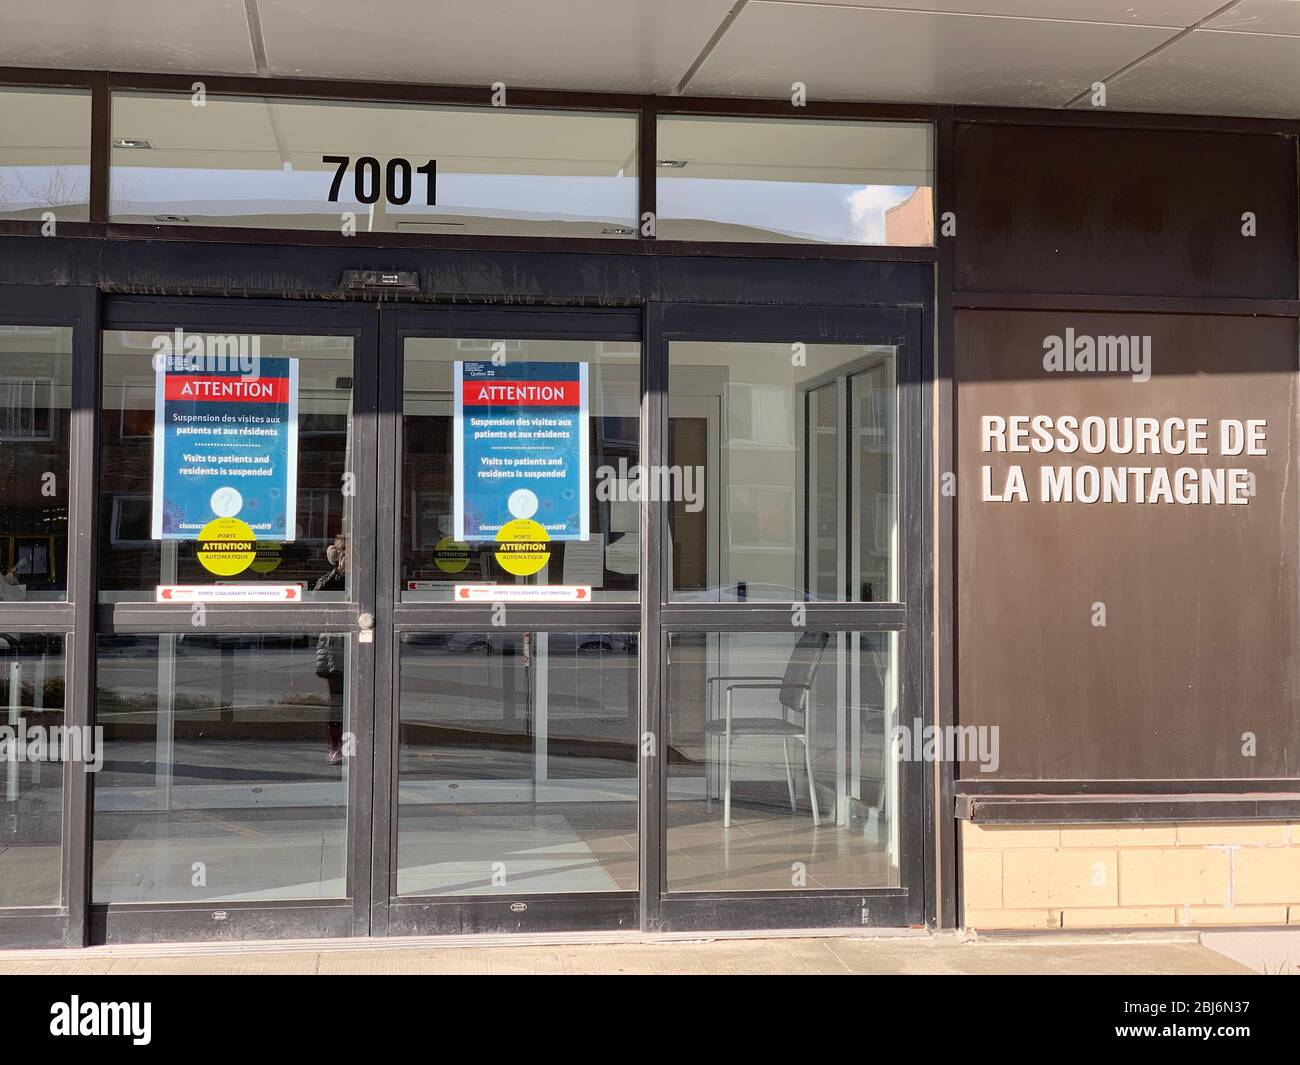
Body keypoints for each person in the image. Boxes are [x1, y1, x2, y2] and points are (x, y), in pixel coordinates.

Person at [314, 533, 347, 765]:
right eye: (343, 553)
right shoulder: (332, 577)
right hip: (335, 648)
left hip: (361, 646)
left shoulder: (369, 574)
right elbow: (317, 596)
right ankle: (336, 746)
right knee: (338, 701)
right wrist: (339, 573)